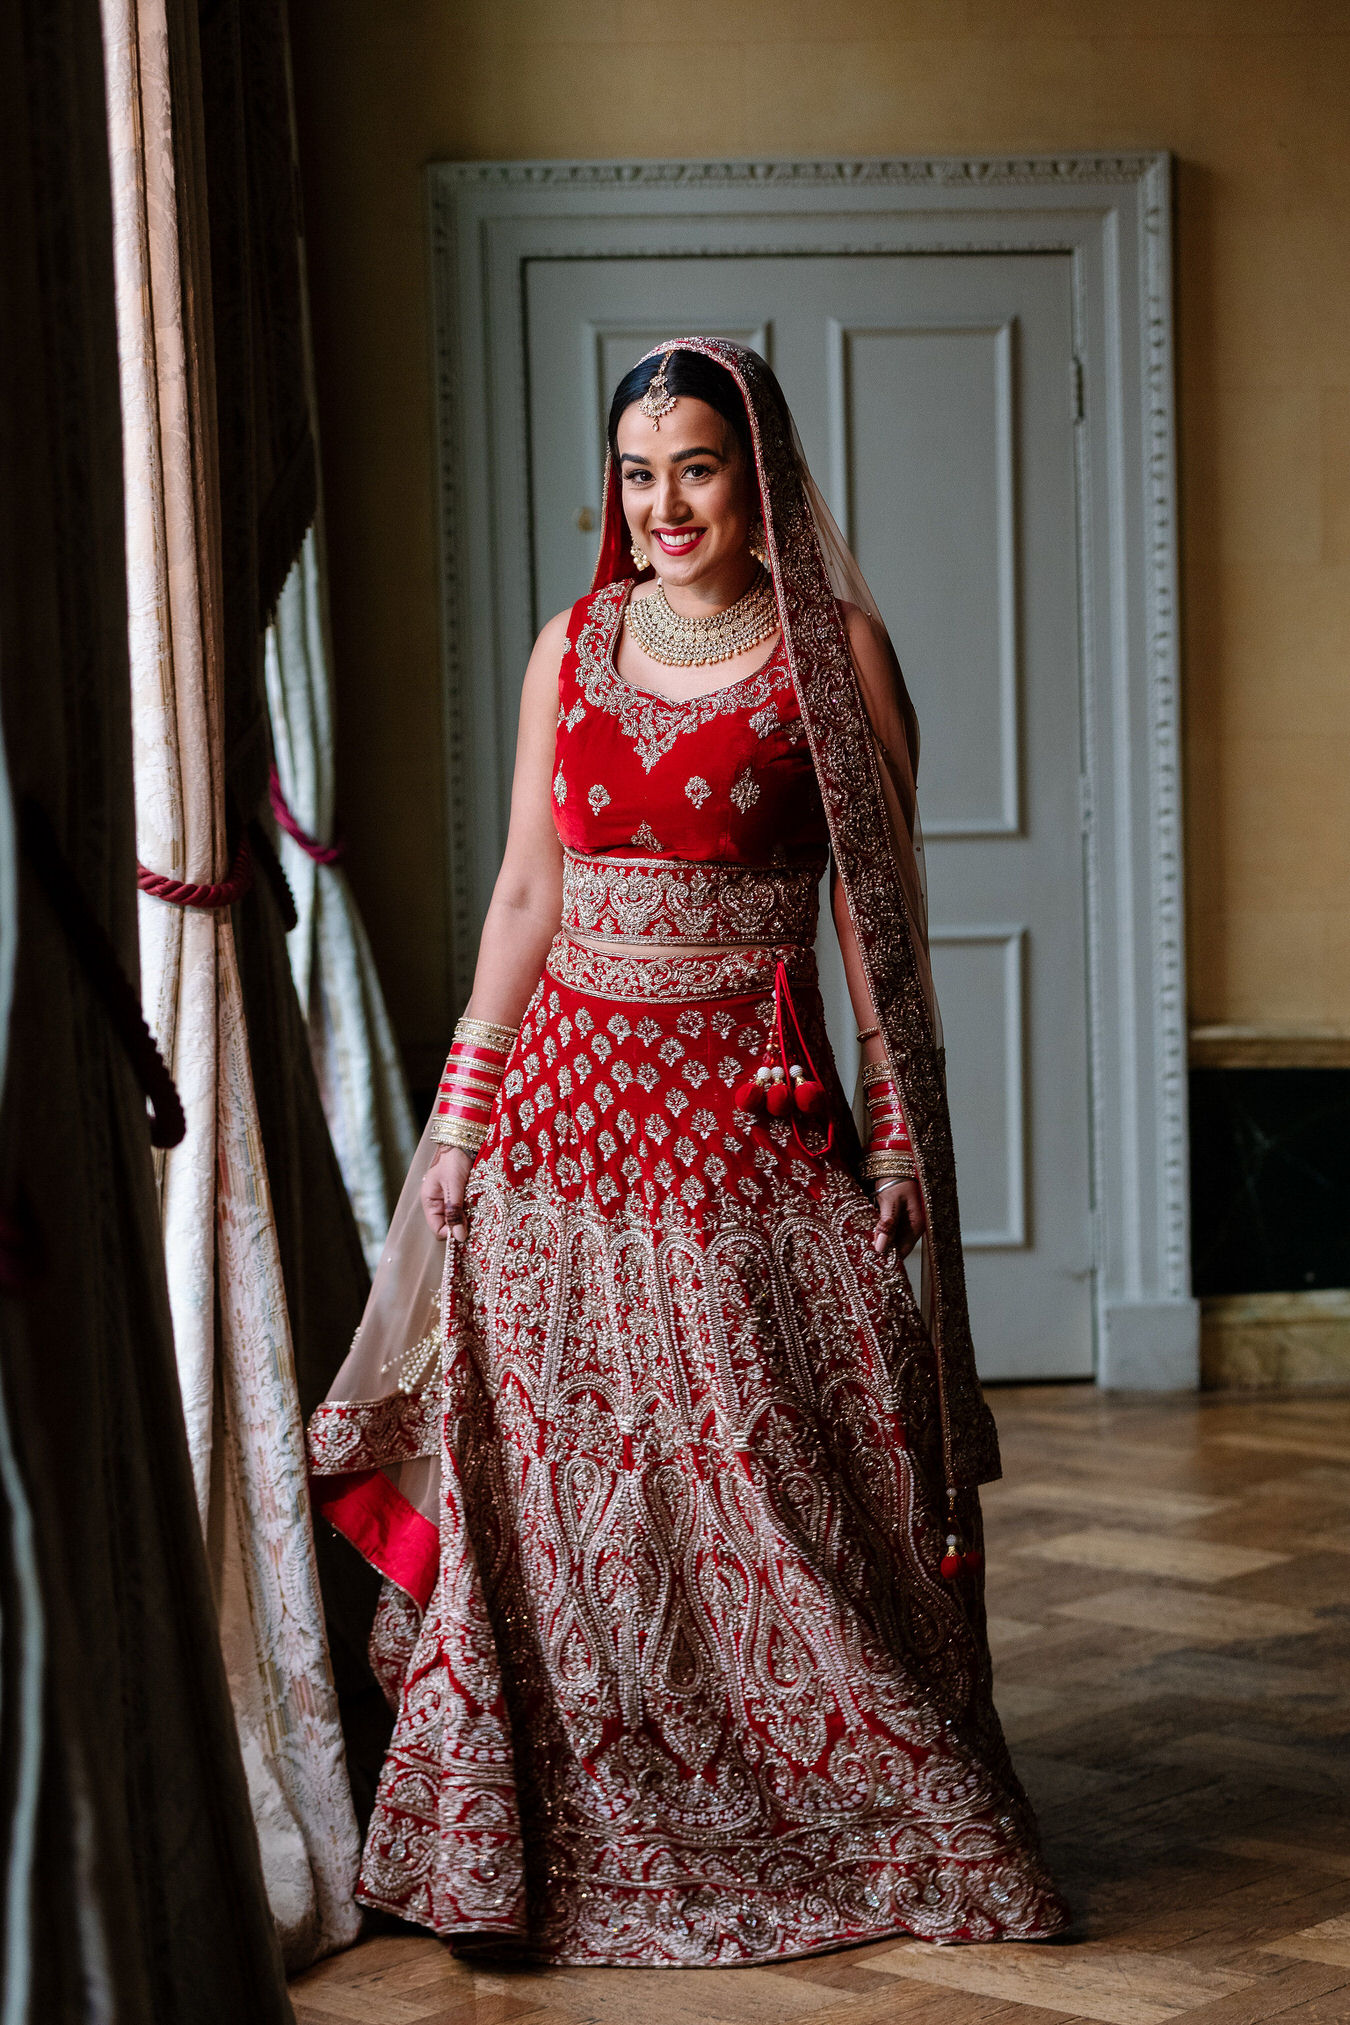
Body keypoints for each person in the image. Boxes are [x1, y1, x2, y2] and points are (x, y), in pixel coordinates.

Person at [308, 339, 1068, 1966]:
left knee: (773, 1472)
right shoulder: (569, 646)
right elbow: (527, 894)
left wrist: (900, 1130)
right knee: (569, 1494)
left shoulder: (830, 653)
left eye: (697, 466)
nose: (663, 503)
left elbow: (877, 905)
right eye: (639, 471)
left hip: (748, 1116)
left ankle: (846, 1801)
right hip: (558, 1129)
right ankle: (546, 1830)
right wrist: (461, 1116)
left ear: (758, 474)